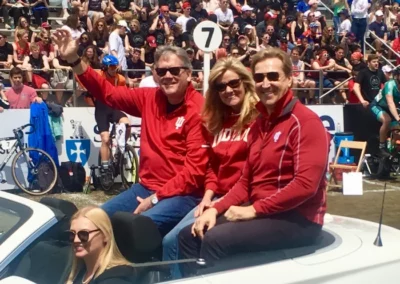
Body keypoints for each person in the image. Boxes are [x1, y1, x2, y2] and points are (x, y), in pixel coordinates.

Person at [178, 47, 330, 276]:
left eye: (273, 76)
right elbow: (245, 181)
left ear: (289, 79)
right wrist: (214, 209)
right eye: (259, 77)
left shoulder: (306, 122)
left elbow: (305, 186)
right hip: (266, 214)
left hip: (298, 219)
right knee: (188, 234)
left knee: (216, 239)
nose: (266, 83)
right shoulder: (260, 124)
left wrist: (254, 210)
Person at [52, 30, 208, 237]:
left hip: (182, 195)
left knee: (134, 229)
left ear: (188, 74)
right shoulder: (149, 97)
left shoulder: (199, 109)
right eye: (161, 72)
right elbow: (108, 93)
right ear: (155, 75)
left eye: (174, 70)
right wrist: (73, 58)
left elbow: (194, 174)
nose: (168, 76)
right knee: (90, 224)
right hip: (145, 188)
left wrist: (155, 199)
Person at [162, 57, 259, 279]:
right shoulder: (218, 120)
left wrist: (220, 203)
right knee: (170, 240)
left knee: (187, 238)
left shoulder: (257, 120)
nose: (228, 90)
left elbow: (251, 173)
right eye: (220, 86)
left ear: (245, 82)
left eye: (234, 83)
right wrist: (207, 197)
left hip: (242, 198)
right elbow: (214, 167)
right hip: (216, 196)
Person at [86, 55, 130, 186]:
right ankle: (105, 170)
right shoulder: (99, 76)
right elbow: (87, 95)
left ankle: (121, 150)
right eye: (111, 67)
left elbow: (124, 94)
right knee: (105, 139)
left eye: (115, 66)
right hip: (101, 108)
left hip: (114, 106)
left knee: (127, 124)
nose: (114, 69)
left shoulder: (120, 79)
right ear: (105, 68)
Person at [66, 206, 136, 284]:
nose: (76, 240)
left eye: (84, 234)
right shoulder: (77, 272)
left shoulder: (116, 278)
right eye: (72, 234)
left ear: (106, 235)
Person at [369, 68, 400, 157]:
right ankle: (381, 147)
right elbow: (390, 103)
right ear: (397, 76)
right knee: (387, 120)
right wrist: (398, 118)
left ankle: (393, 150)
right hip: (378, 106)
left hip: (391, 109)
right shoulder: (390, 84)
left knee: (397, 133)